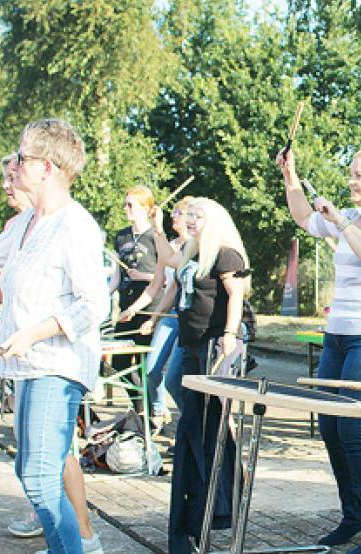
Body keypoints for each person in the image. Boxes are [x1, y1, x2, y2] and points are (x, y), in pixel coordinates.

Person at [0, 119, 109, 554]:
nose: (15, 163)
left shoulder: (75, 225)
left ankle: (73, 548)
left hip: (58, 365)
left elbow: (94, 305)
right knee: (30, 470)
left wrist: (33, 332)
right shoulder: (25, 224)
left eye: (22, 157)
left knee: (39, 472)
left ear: (47, 167)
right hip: (29, 366)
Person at [277, 146, 361, 554]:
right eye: (351, 173)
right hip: (337, 335)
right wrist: (290, 175)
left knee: (354, 430)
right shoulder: (348, 218)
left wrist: (340, 224)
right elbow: (301, 215)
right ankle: (355, 517)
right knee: (331, 428)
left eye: (360, 175)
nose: (352, 181)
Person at [167, 197, 251, 554]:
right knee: (195, 428)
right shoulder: (192, 252)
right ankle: (204, 512)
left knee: (201, 428)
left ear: (214, 219)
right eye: (188, 214)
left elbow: (236, 296)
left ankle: (207, 511)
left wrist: (229, 337)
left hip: (212, 348)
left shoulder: (226, 254)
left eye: (197, 215)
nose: (190, 220)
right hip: (190, 346)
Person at [118, 196, 193, 428]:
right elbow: (165, 285)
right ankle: (159, 412)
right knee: (151, 369)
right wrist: (148, 316)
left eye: (177, 213)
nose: (173, 217)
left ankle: (189, 423)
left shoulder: (195, 247)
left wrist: (156, 229)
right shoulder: (171, 244)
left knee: (175, 378)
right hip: (171, 316)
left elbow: (171, 265)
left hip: (189, 318)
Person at [111, 185, 161, 417]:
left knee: (147, 364)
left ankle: (152, 411)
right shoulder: (121, 236)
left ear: (146, 208)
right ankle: (141, 406)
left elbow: (165, 277)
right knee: (120, 362)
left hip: (149, 308)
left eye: (131, 204)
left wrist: (143, 276)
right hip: (126, 306)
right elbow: (116, 274)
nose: (126, 209)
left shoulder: (155, 237)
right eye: (125, 203)